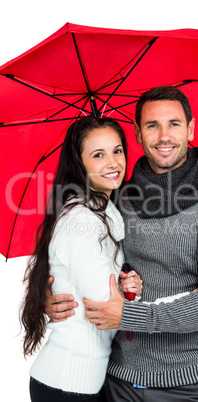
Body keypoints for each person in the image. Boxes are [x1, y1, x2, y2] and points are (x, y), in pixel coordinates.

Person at [46, 86, 198, 401]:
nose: (163, 135)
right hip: (114, 380)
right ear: (137, 133)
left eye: (174, 124)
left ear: (191, 129)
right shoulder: (117, 198)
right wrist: (55, 297)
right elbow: (81, 258)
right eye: (152, 125)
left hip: (185, 385)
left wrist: (128, 316)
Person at [20, 116, 143, 402]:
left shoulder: (103, 211)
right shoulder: (83, 219)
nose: (113, 162)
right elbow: (103, 307)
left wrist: (129, 284)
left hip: (83, 380)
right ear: (80, 163)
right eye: (98, 154)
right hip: (67, 381)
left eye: (117, 150)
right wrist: (136, 293)